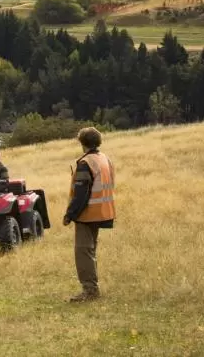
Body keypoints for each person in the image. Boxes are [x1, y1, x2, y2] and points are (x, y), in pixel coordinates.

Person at [63, 127, 115, 303]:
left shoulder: (86, 163)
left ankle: (90, 291)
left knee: (83, 252)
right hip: (103, 211)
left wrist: (70, 214)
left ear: (82, 142)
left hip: (88, 214)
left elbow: (81, 194)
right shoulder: (104, 159)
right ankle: (92, 288)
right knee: (90, 250)